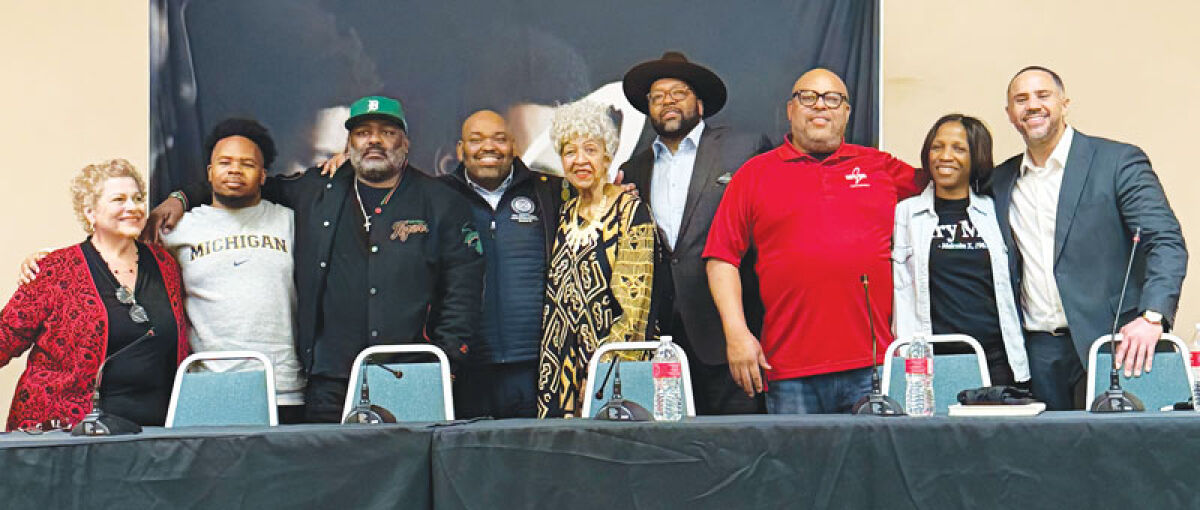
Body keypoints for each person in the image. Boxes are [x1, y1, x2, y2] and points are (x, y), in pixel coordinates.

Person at [149, 96, 485, 422]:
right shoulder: (316, 188)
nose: (375, 141)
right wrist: (182, 197)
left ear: (406, 143)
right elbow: (243, 182)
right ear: (349, 143)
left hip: (410, 369)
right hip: (329, 379)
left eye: (387, 132)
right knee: (327, 472)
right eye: (363, 133)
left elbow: (463, 288)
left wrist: (449, 363)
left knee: (405, 471)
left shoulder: (441, 201)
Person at [704, 69, 925, 414]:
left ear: (847, 112)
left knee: (875, 468)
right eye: (808, 97)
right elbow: (721, 258)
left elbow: (948, 184)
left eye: (832, 99)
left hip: (874, 366)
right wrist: (736, 334)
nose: (820, 106)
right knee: (797, 469)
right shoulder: (754, 175)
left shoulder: (879, 167)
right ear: (791, 110)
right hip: (789, 371)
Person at [991, 66, 1187, 410]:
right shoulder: (1001, 181)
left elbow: (1165, 241)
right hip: (1037, 352)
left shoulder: (1117, 161)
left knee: (1121, 457)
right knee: (1048, 459)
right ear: (1010, 115)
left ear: (1064, 103)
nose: (1032, 106)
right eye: (1021, 100)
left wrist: (1152, 317)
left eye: (1043, 95)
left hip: (1116, 343)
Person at [618, 51, 771, 415]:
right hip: (663, 337)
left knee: (740, 447)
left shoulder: (743, 149)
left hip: (733, 332)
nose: (667, 102)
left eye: (678, 93)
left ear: (700, 105)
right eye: (657, 96)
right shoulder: (633, 168)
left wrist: (745, 332)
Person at [0, 159, 189, 431]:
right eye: (119, 199)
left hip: (152, 434)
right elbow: (5, 336)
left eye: (137, 199)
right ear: (90, 212)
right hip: (66, 433)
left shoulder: (165, 265)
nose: (133, 208)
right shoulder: (55, 269)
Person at [437, 110, 564, 418]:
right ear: (459, 149)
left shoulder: (551, 191)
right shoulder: (437, 196)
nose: (488, 147)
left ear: (514, 145)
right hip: (466, 367)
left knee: (537, 459)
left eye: (499, 138)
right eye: (476, 140)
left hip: (537, 365)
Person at [536, 99, 657, 418]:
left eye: (590, 149)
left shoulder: (631, 212)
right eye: (569, 152)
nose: (580, 161)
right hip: (558, 371)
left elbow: (637, 309)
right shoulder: (563, 214)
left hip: (610, 371)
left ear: (609, 153)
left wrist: (604, 367)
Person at [892, 114, 1030, 387]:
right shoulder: (907, 213)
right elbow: (901, 290)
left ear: (976, 156)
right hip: (934, 361)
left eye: (959, 148)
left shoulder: (994, 210)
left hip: (998, 360)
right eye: (937, 147)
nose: (945, 156)